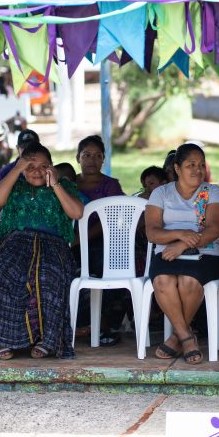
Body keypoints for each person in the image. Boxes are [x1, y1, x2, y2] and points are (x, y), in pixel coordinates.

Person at [0, 142, 84, 359]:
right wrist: (17, 169)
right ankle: (3, 339)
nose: (36, 171)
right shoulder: (15, 184)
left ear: (52, 167)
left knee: (47, 276)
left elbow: (76, 212)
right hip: (15, 242)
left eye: (43, 166)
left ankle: (47, 340)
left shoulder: (63, 185)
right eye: (30, 167)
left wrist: (55, 183)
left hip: (53, 245)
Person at [145, 143, 219, 364]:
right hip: (166, 252)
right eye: (191, 164)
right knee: (163, 280)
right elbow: (152, 232)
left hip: (206, 253)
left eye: (201, 164)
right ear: (177, 168)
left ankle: (175, 338)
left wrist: (182, 244)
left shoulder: (212, 192)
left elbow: (213, 230)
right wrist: (181, 233)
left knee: (188, 281)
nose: (197, 169)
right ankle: (186, 337)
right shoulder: (161, 193)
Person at [75, 135, 127, 345]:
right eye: (86, 155)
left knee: (107, 268)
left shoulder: (111, 185)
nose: (92, 160)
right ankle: (77, 325)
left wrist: (83, 238)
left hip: (103, 241)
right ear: (77, 157)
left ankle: (104, 327)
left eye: (98, 156)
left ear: (104, 159)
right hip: (72, 242)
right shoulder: (68, 183)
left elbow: (116, 219)